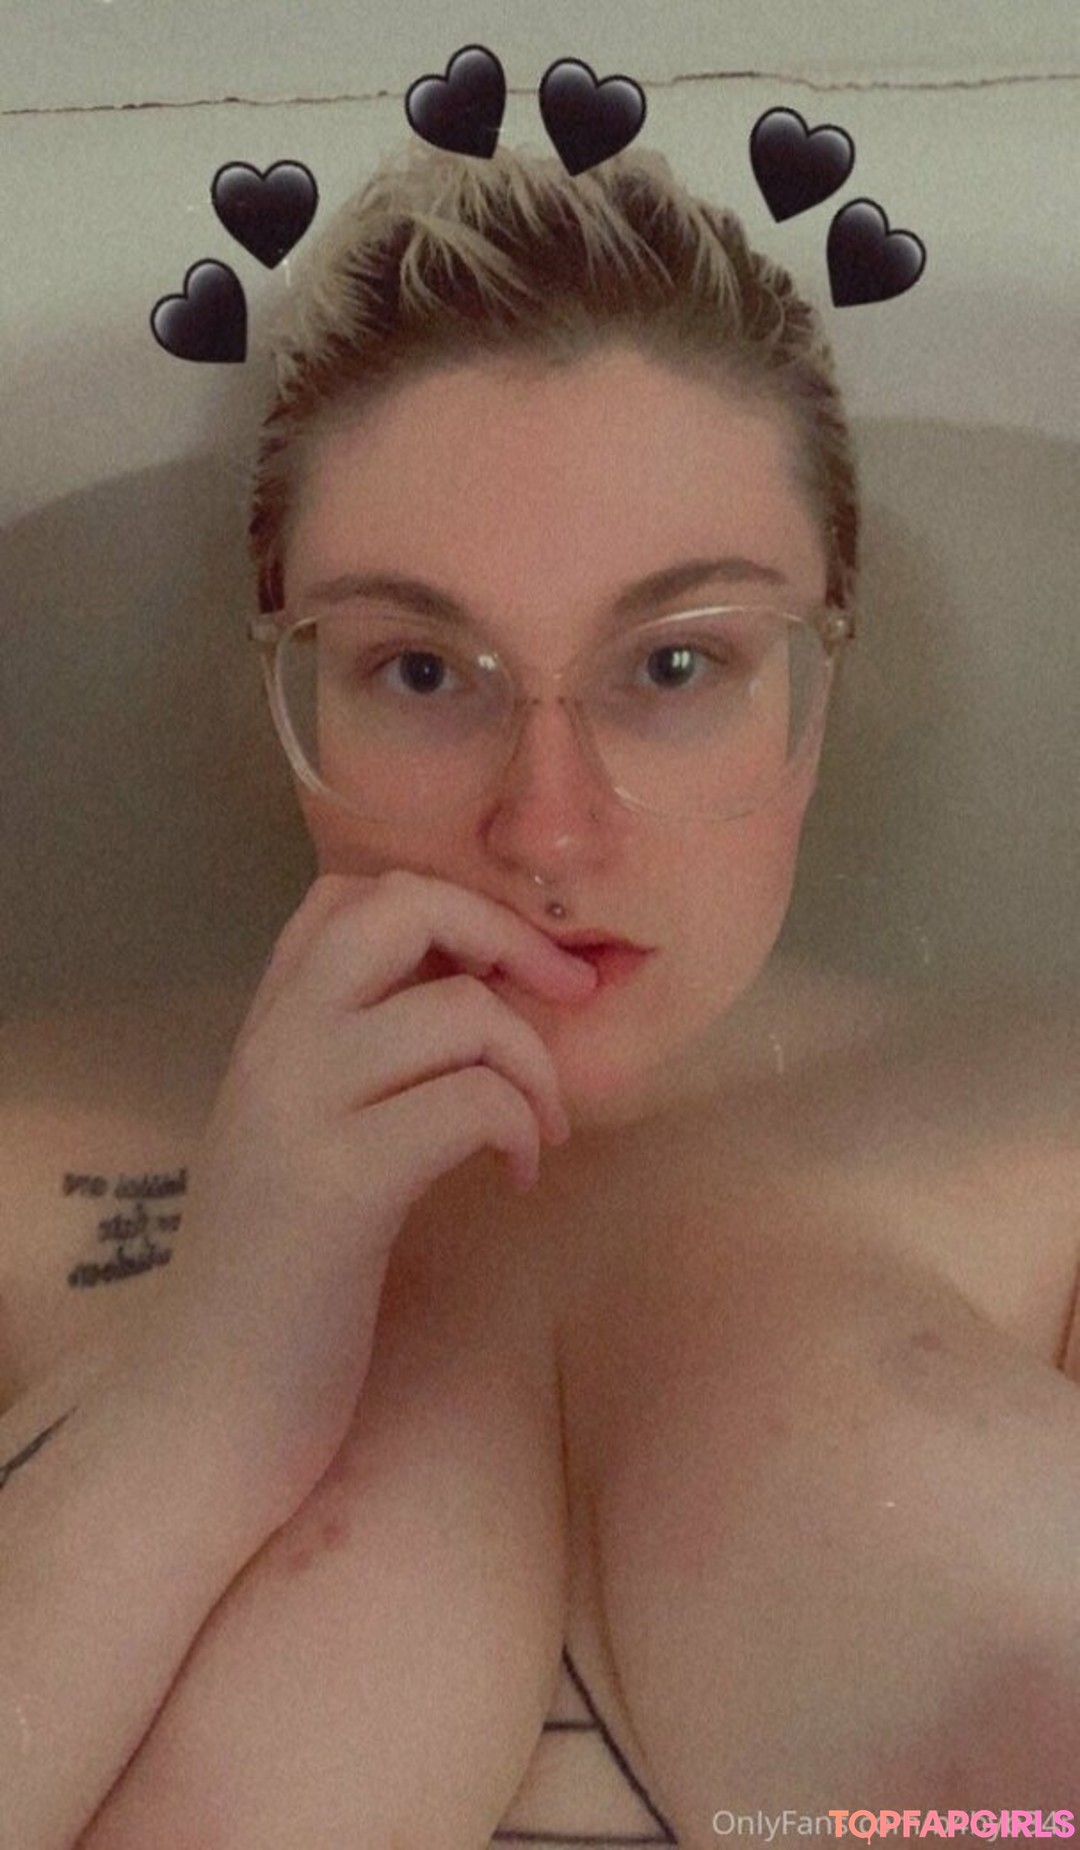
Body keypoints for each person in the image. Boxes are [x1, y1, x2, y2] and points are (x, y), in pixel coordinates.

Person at [1, 138, 1077, 1849]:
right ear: (283, 688)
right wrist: (199, 1401)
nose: (548, 828)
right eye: (424, 669)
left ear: (823, 678)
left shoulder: (1047, 1139)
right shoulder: (28, 1147)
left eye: (676, 663)